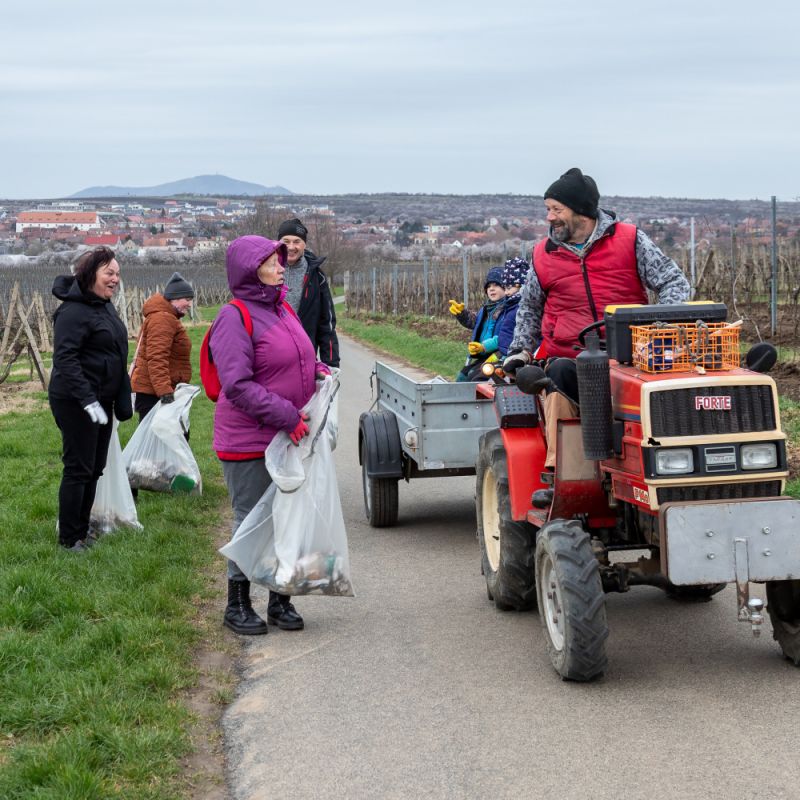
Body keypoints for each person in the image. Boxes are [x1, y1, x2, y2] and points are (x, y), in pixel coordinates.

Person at [503, 167, 690, 470]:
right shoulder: (542, 254)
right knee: (558, 374)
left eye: (556, 209)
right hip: (571, 357)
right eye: (547, 209)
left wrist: (660, 327)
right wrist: (520, 351)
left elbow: (674, 283)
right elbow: (530, 308)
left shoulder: (630, 240)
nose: (549, 217)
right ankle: (563, 473)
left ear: (581, 211)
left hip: (632, 356)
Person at [211, 235, 330, 636]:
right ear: (251, 269)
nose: (282, 267)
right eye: (272, 262)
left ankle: (280, 601)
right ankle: (237, 604)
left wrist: (317, 373)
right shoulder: (234, 317)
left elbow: (297, 357)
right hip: (249, 439)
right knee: (252, 522)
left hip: (285, 435)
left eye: (281, 260)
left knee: (286, 520)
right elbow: (237, 385)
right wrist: (286, 415)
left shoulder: (280, 309)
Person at [48, 246, 131, 552]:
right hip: (76, 401)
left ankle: (82, 529)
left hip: (102, 400)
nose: (115, 279)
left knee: (95, 467)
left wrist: (122, 391)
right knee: (78, 467)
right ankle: (69, 539)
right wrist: (87, 400)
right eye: (109, 272)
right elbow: (66, 360)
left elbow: (115, 351)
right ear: (89, 274)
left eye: (117, 273)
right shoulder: (73, 312)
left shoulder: (104, 306)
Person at [130, 272, 194, 421]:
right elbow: (157, 357)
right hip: (155, 394)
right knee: (165, 439)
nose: (190, 304)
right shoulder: (162, 319)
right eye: (187, 299)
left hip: (158, 390)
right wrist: (165, 392)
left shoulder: (166, 317)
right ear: (175, 298)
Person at [277, 218, 340, 368]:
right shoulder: (265, 272)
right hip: (271, 360)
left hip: (304, 360)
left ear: (304, 244)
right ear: (278, 242)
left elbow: (327, 326)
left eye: (296, 241)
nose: (291, 247)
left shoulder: (317, 277)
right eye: (286, 241)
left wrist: (331, 366)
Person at [449, 266, 508, 381]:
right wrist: (462, 314)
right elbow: (475, 322)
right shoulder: (486, 308)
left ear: (505, 287)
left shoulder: (507, 310)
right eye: (489, 286)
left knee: (473, 377)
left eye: (496, 285)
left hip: (498, 355)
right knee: (462, 376)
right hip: (484, 355)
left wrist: (483, 347)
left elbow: (505, 337)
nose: (491, 289)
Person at [494, 257, 532, 359]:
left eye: (509, 288)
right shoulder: (510, 304)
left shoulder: (523, 308)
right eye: (505, 288)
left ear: (521, 286)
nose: (506, 292)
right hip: (504, 353)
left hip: (515, 356)